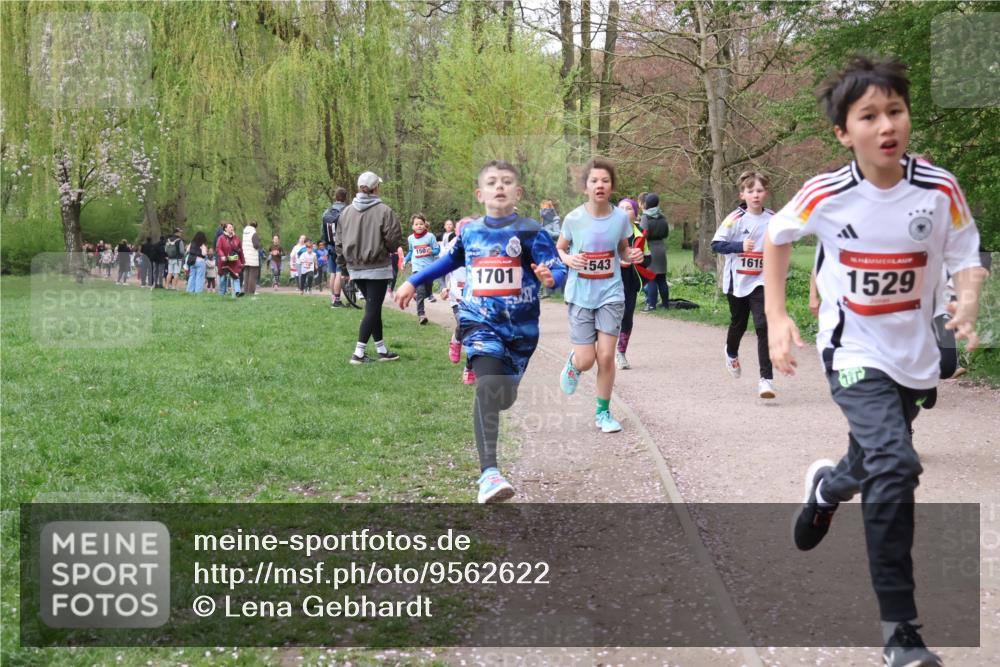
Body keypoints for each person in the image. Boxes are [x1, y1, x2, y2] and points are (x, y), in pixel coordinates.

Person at [764, 55, 986, 667]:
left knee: (873, 459)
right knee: (895, 462)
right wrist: (779, 317)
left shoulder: (939, 188)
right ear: (845, 132)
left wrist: (966, 302)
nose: (886, 124)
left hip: (915, 354)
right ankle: (902, 633)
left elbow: (968, 251)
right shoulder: (826, 193)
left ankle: (827, 490)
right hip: (853, 349)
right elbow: (775, 239)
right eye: (869, 115)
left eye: (896, 110)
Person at [394, 160, 566, 503]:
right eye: (491, 182)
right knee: (488, 387)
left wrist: (552, 278)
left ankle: (495, 386)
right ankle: (489, 474)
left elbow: (558, 268)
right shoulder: (470, 231)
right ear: (480, 193)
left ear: (518, 193)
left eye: (506, 182)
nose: (499, 187)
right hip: (479, 321)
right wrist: (414, 280)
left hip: (521, 331)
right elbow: (449, 260)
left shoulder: (531, 231)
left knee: (504, 396)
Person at [557, 157, 644, 433]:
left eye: (605, 181)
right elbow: (560, 248)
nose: (600, 185)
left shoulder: (620, 218)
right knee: (587, 360)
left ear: (612, 186)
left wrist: (632, 254)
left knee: (606, 356)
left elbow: (622, 249)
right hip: (580, 294)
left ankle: (603, 413)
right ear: (585, 187)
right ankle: (574, 363)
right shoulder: (573, 218)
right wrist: (568, 259)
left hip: (611, 293)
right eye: (594, 180)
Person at [711, 170, 776, 399]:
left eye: (759, 191)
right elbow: (716, 245)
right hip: (737, 281)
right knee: (739, 323)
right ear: (743, 194)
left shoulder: (773, 218)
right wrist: (739, 246)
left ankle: (766, 380)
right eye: (751, 191)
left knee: (763, 326)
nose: (755, 195)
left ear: (765, 193)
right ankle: (731, 352)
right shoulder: (734, 219)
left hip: (761, 280)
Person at [335, 171, 402, 363]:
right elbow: (393, 239)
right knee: (372, 309)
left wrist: (343, 268)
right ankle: (358, 353)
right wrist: (387, 249)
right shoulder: (384, 211)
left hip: (355, 267)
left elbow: (338, 243)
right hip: (378, 267)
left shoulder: (346, 212)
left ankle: (381, 350)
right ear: (375, 188)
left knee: (374, 308)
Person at [441, 217, 476, 385]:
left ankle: (469, 368)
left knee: (475, 333)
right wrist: (443, 286)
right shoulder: (452, 246)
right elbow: (441, 267)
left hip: (477, 297)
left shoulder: (483, 246)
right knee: (466, 325)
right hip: (457, 295)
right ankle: (456, 339)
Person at [614, 198, 648, 370]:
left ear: (635, 213)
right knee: (607, 316)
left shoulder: (640, 233)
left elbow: (647, 258)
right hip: (609, 281)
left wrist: (639, 259)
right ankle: (600, 350)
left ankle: (620, 353)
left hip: (630, 281)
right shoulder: (608, 229)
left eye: (628, 208)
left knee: (627, 317)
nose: (624, 211)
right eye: (621, 208)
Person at [403, 213, 441, 325]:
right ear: (413, 226)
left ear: (425, 225)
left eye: (421, 224)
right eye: (416, 224)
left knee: (428, 289)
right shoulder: (411, 238)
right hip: (417, 268)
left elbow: (437, 250)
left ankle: (418, 295)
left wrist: (432, 251)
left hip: (429, 268)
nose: (419, 226)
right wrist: (405, 260)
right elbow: (411, 251)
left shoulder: (430, 236)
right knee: (420, 290)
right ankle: (421, 315)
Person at [640, 193, 670, 311]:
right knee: (662, 279)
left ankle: (651, 305)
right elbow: (666, 233)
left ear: (647, 203)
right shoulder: (662, 216)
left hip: (650, 248)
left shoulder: (645, 217)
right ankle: (665, 304)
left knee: (650, 278)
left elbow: (642, 234)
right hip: (661, 248)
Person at [322, 187, 348, 307]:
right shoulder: (346, 211)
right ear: (345, 197)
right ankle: (337, 300)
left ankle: (333, 298)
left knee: (332, 272)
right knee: (339, 272)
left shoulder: (326, 212)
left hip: (330, 246)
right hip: (340, 247)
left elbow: (323, 232)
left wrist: (326, 245)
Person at [215, 222, 244, 298]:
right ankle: (221, 294)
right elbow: (218, 248)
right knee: (223, 278)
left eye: (232, 227)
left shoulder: (236, 238)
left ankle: (237, 292)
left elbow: (238, 249)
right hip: (224, 261)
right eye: (230, 227)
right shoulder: (221, 238)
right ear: (225, 228)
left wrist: (242, 261)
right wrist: (222, 256)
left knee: (236, 276)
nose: (232, 228)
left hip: (234, 261)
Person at [241, 221, 262, 296]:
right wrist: (259, 243)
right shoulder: (254, 233)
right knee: (253, 275)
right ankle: (251, 292)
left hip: (245, 256)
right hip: (252, 257)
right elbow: (256, 245)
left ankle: (246, 290)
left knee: (246, 275)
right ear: (255, 226)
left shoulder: (245, 233)